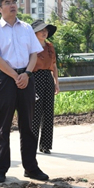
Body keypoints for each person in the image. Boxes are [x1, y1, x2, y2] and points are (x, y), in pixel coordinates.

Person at [0, 0, 49, 183]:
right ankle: (1, 169)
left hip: (27, 78)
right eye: (7, 2)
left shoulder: (27, 28)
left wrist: (27, 74)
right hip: (6, 79)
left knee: (28, 125)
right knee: (3, 126)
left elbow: (34, 54)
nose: (12, 5)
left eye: (13, 2)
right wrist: (15, 76)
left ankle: (31, 167)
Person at [30, 19, 59, 155]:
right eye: (41, 30)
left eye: (46, 30)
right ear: (34, 33)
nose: (44, 32)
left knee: (48, 112)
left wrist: (56, 82)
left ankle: (46, 145)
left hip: (48, 78)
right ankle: (32, 144)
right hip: (35, 78)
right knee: (35, 112)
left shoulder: (50, 47)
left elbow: (54, 66)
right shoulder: (30, 46)